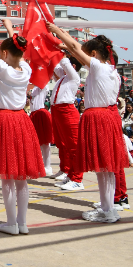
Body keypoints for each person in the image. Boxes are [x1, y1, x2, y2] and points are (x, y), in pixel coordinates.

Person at [47, 24, 127, 224]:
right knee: (106, 167)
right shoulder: (113, 71)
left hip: (98, 117)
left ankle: (108, 210)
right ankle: (108, 207)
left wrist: (56, 30)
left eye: (85, 54)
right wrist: (63, 44)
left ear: (93, 54)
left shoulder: (98, 67)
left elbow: (75, 48)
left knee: (103, 167)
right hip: (107, 117)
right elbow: (74, 49)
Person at [0, 15, 44, 236]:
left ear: (4, 54)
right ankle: (22, 223)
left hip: (4, 120)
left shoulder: (2, 70)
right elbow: (17, 50)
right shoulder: (26, 71)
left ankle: (11, 223)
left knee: (7, 175)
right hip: (22, 120)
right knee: (21, 176)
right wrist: (9, 27)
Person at [50, 56, 84, 189]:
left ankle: (78, 179)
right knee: (66, 146)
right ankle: (70, 175)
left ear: (72, 66)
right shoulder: (64, 78)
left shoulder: (74, 77)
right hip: (58, 111)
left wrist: (63, 52)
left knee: (74, 146)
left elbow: (63, 62)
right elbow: (55, 66)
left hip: (67, 111)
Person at [28, 85, 53, 177]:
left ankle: (47, 166)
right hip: (33, 114)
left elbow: (45, 87)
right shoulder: (33, 89)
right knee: (35, 143)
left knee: (45, 142)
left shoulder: (42, 86)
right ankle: (39, 165)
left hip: (40, 113)